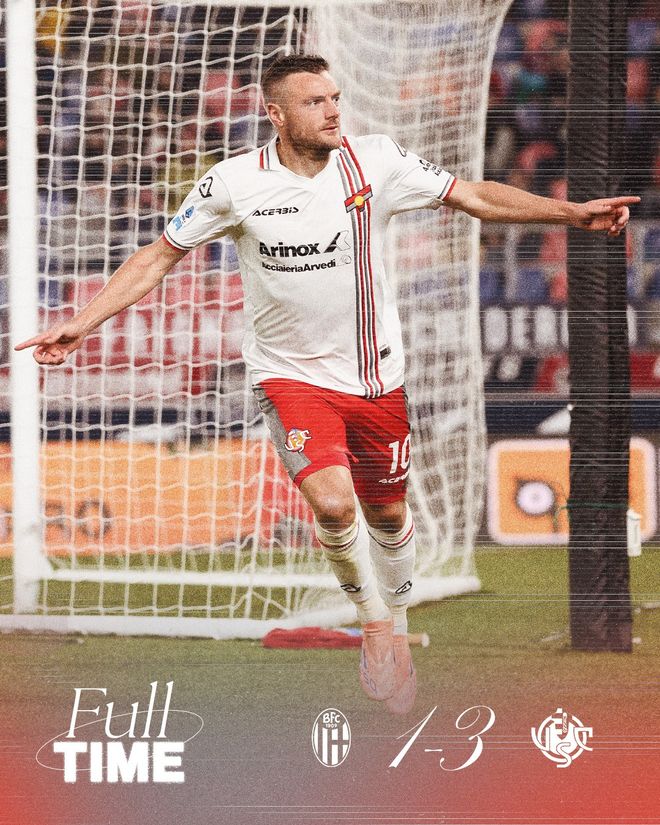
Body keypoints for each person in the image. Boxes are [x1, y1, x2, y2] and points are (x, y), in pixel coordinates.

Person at [16, 54, 639, 715]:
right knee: (335, 506)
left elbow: (473, 195)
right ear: (276, 114)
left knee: (388, 515)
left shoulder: (377, 162)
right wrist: (82, 323)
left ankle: (397, 621)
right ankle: (374, 624)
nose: (334, 110)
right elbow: (159, 256)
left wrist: (570, 213)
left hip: (375, 377)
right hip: (289, 376)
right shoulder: (233, 183)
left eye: (335, 97)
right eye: (315, 102)